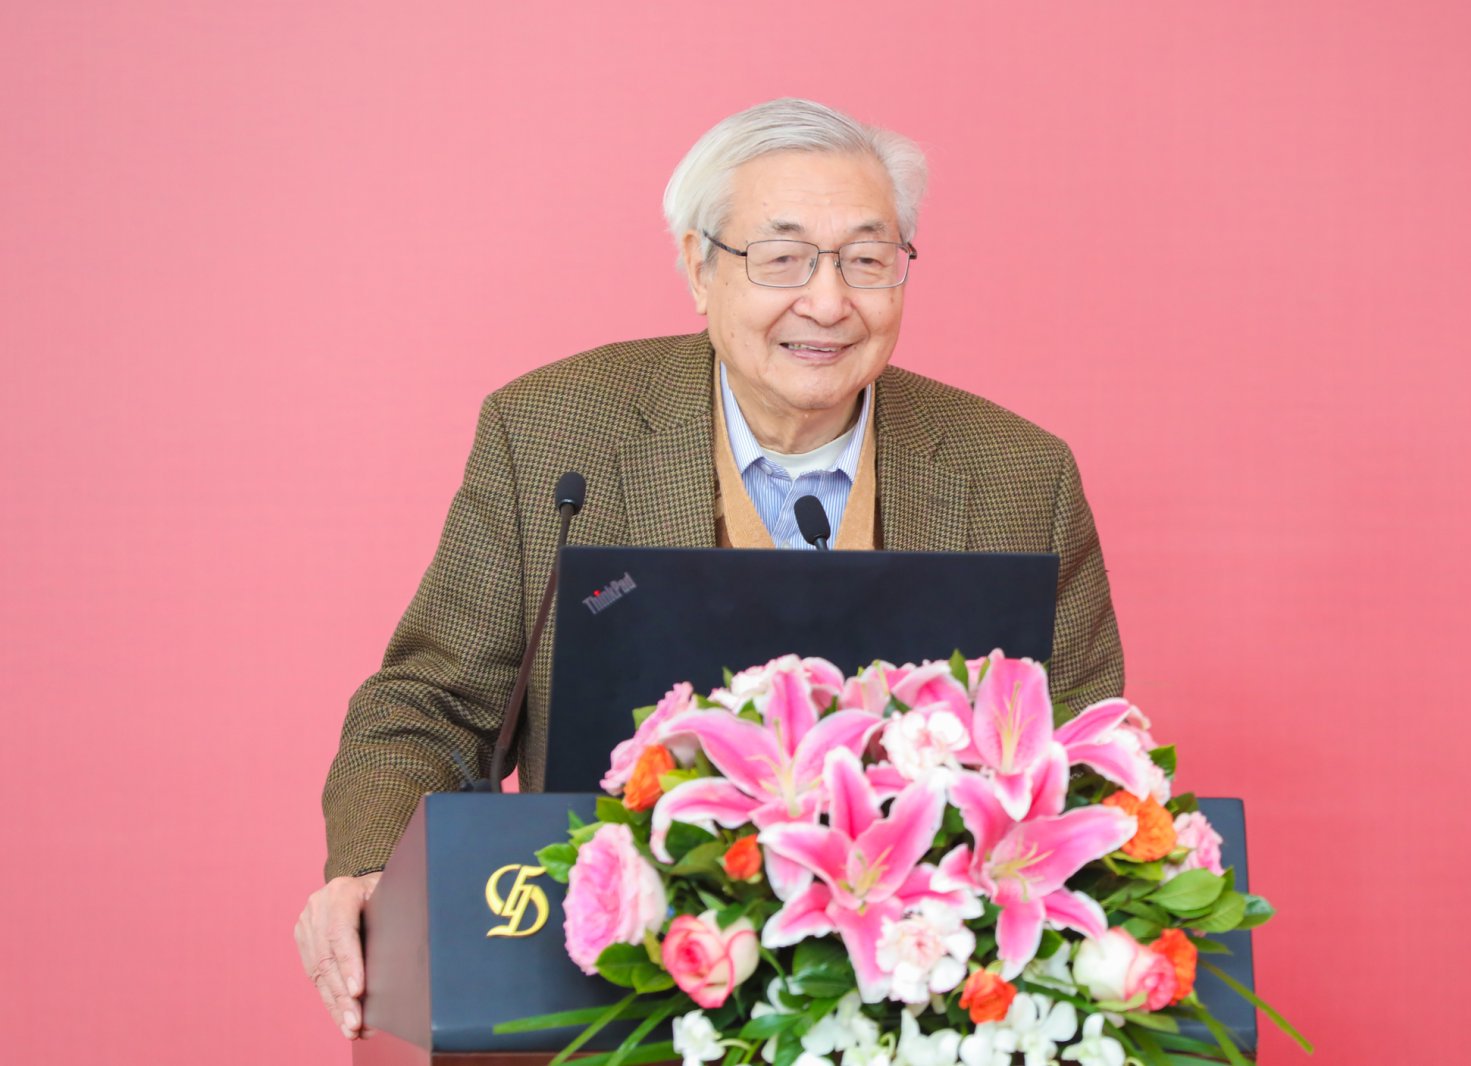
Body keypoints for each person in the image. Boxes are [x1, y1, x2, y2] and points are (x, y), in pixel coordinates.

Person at [294, 98, 1124, 1039]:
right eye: (782, 259)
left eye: (866, 259)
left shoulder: (1017, 476)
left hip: (920, 999)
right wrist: (374, 871)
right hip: (605, 982)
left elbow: (1086, 765)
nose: (828, 302)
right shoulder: (553, 433)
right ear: (698, 266)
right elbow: (433, 706)